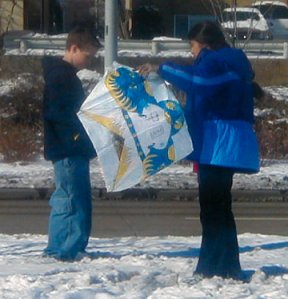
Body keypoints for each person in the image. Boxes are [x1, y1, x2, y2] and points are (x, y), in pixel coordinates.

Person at [138, 21, 260, 280]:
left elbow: (197, 81)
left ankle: (214, 266)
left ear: (203, 43)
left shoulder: (216, 60)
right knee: (220, 207)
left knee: (213, 208)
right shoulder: (232, 59)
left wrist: (162, 68)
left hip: (218, 142)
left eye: (192, 46)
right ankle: (225, 265)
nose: (192, 53)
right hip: (226, 141)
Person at [42, 26, 102, 261]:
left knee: (74, 197)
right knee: (70, 199)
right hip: (67, 148)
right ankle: (63, 249)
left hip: (70, 147)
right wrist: (79, 136)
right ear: (73, 48)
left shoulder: (64, 75)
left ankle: (70, 246)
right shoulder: (61, 76)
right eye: (88, 55)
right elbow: (59, 114)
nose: (89, 60)